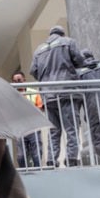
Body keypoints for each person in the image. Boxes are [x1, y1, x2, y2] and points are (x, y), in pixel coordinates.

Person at [30, 26, 86, 167]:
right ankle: (71, 158)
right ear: (62, 34)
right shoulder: (68, 42)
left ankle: (51, 160)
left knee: (54, 131)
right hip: (67, 92)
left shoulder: (39, 49)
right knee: (71, 128)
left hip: (48, 95)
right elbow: (80, 61)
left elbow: (33, 70)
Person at [11, 70, 43, 168]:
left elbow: (40, 107)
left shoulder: (33, 92)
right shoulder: (11, 95)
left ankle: (38, 174)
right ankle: (25, 174)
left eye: (19, 80)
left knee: (36, 155)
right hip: (20, 128)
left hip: (33, 127)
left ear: (24, 80)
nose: (17, 83)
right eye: (15, 81)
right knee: (21, 156)